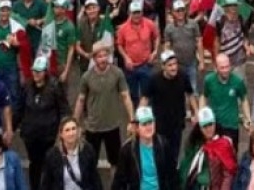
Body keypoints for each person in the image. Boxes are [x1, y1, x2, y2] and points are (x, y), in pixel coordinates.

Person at [75, 41, 134, 172]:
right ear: (94, 58)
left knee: (116, 163)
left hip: (112, 126)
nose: (103, 59)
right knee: (90, 164)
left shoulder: (117, 73)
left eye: (105, 55)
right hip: (93, 127)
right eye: (99, 56)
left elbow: (125, 96)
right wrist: (75, 123)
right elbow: (80, 100)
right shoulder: (87, 77)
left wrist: (132, 119)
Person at [19, 56, 68, 190]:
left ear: (45, 72)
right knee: (34, 164)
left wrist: (61, 133)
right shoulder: (27, 86)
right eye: (34, 71)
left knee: (50, 164)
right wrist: (12, 128)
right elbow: (19, 108)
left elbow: (64, 110)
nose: (36, 74)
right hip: (31, 136)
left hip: (49, 136)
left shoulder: (55, 86)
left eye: (39, 71)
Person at [142, 50, 197, 165]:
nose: (174, 68)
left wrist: (196, 113)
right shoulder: (154, 79)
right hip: (160, 125)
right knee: (160, 155)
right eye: (170, 65)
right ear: (163, 66)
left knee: (174, 155)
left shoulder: (183, 76)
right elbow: (145, 99)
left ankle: (172, 179)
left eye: (175, 64)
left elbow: (190, 95)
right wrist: (138, 119)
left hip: (177, 123)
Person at [112, 106, 179, 190]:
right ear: (137, 128)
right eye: (144, 124)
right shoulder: (127, 150)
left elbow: (172, 176)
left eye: (150, 122)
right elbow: (119, 182)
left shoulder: (163, 145)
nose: (148, 127)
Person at [179, 107, 239, 190]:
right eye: (204, 126)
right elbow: (185, 167)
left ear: (215, 124)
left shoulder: (224, 144)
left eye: (210, 124)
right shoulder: (194, 144)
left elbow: (228, 174)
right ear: (200, 128)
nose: (208, 129)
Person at [201, 53, 252, 148]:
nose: (226, 70)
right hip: (214, 125)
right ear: (216, 68)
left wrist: (248, 118)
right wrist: (202, 115)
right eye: (222, 68)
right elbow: (204, 96)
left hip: (231, 125)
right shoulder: (209, 80)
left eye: (227, 67)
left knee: (231, 155)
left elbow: (244, 99)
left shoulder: (237, 81)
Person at [39, 117, 101, 190]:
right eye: (67, 130)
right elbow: (46, 183)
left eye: (73, 129)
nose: (71, 133)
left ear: (78, 131)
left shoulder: (87, 151)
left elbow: (94, 178)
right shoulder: (52, 155)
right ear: (61, 134)